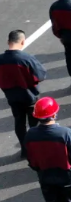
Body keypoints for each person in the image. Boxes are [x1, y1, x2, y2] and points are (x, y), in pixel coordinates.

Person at [25, 97, 71, 202]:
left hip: (45, 177)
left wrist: (37, 167)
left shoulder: (30, 134)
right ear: (54, 115)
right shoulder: (65, 133)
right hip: (67, 178)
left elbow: (31, 156)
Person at [0, 30, 47, 158]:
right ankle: (35, 148)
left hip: (12, 97)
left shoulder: (1, 59)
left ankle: (24, 149)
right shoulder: (26, 58)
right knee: (34, 124)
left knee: (19, 122)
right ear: (22, 42)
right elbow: (40, 75)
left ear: (8, 42)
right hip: (30, 96)